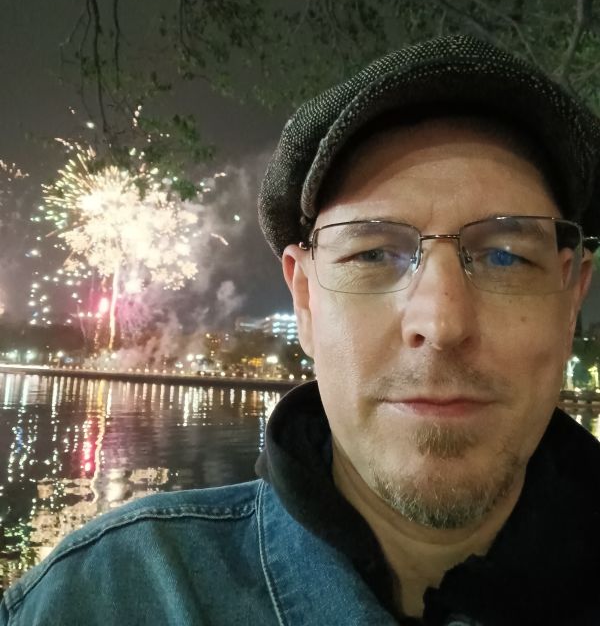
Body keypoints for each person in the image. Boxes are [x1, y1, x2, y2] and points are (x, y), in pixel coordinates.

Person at [2, 34, 599, 626]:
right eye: (372, 254)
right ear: (305, 300)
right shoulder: (98, 598)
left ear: (573, 296)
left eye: (505, 257)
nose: (441, 323)